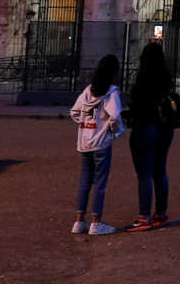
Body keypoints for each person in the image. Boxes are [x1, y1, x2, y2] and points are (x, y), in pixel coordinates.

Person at [125, 41, 180, 231]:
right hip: (165, 130)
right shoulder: (165, 78)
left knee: (144, 175)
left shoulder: (142, 80)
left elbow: (137, 107)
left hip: (145, 128)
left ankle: (144, 218)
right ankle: (161, 214)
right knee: (160, 171)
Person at [70, 54, 125, 236]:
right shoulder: (111, 92)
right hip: (101, 143)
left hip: (85, 141)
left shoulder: (88, 91)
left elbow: (75, 111)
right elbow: (115, 115)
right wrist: (113, 130)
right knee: (100, 183)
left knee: (85, 182)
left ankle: (79, 221)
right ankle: (96, 222)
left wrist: (85, 123)